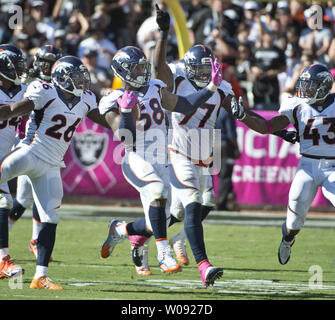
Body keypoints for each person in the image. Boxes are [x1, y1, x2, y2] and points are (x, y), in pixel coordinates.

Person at [98, 45, 223, 279]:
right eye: (134, 68)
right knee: (157, 192)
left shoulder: (155, 87)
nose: (140, 72)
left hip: (163, 158)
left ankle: (119, 230)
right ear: (121, 72)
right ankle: (164, 253)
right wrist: (125, 112)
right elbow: (126, 137)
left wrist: (211, 88)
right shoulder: (112, 99)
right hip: (136, 157)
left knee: (163, 218)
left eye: (141, 67)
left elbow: (184, 105)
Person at [0, 55, 111, 289]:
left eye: (83, 77)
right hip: (28, 153)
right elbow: (12, 109)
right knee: (4, 200)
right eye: (77, 78)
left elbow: (108, 121)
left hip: (51, 165)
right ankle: (3, 260)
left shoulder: (87, 99)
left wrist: (127, 117)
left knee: (50, 219)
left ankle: (40, 276)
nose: (82, 82)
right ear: (62, 78)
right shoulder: (45, 90)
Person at [153, 5, 236, 286]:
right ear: (188, 68)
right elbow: (158, 69)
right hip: (179, 150)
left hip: (205, 151)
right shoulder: (177, 76)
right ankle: (204, 265)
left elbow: (239, 111)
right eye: (198, 69)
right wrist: (163, 34)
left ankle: (131, 230)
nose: (204, 73)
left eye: (207, 68)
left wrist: (245, 113)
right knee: (191, 205)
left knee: (186, 210)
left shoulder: (221, 86)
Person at [230, 63, 334, 265]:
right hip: (308, 167)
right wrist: (243, 115)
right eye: (305, 84)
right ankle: (288, 238)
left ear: (323, 86)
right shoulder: (295, 105)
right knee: (294, 219)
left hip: (333, 167)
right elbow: (267, 127)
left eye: (311, 85)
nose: (306, 89)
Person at [7, 45, 62, 263]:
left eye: (52, 63)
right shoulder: (30, 85)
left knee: (36, 199)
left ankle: (34, 240)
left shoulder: (60, 87)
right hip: (26, 146)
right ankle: (29, 240)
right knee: (21, 199)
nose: (47, 67)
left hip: (47, 149)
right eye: (44, 62)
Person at [0, 44, 27, 280]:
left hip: (4, 157)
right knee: (4, 200)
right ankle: (2, 261)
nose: (20, 70)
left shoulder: (25, 90)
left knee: (5, 200)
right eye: (15, 66)